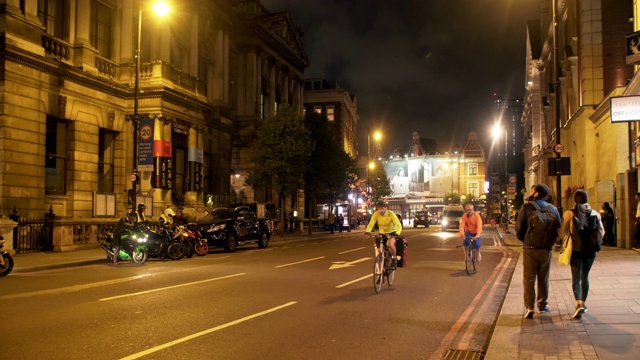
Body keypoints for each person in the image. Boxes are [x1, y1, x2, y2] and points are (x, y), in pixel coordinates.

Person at [515, 183, 562, 319]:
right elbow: (558, 227)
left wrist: (525, 240)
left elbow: (519, 228)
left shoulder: (527, 207)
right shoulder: (552, 208)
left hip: (530, 247)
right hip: (546, 248)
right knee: (543, 277)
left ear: (536, 193)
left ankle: (529, 307)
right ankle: (542, 305)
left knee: (529, 277)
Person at [558, 189, 604, 319]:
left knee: (576, 278)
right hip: (590, 251)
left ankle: (578, 304)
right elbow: (601, 232)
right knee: (585, 277)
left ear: (574, 200)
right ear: (587, 199)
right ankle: (583, 303)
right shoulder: (595, 213)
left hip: (576, 251)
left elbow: (562, 232)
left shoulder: (569, 214)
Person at [364, 201, 403, 268]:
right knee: (379, 249)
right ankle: (381, 265)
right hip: (382, 233)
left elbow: (398, 225)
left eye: (382, 208)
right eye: (378, 209)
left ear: (386, 208)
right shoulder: (376, 214)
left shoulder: (391, 214)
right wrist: (367, 232)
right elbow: (371, 224)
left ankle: (394, 258)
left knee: (389, 244)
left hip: (392, 233)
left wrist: (397, 234)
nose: (380, 210)